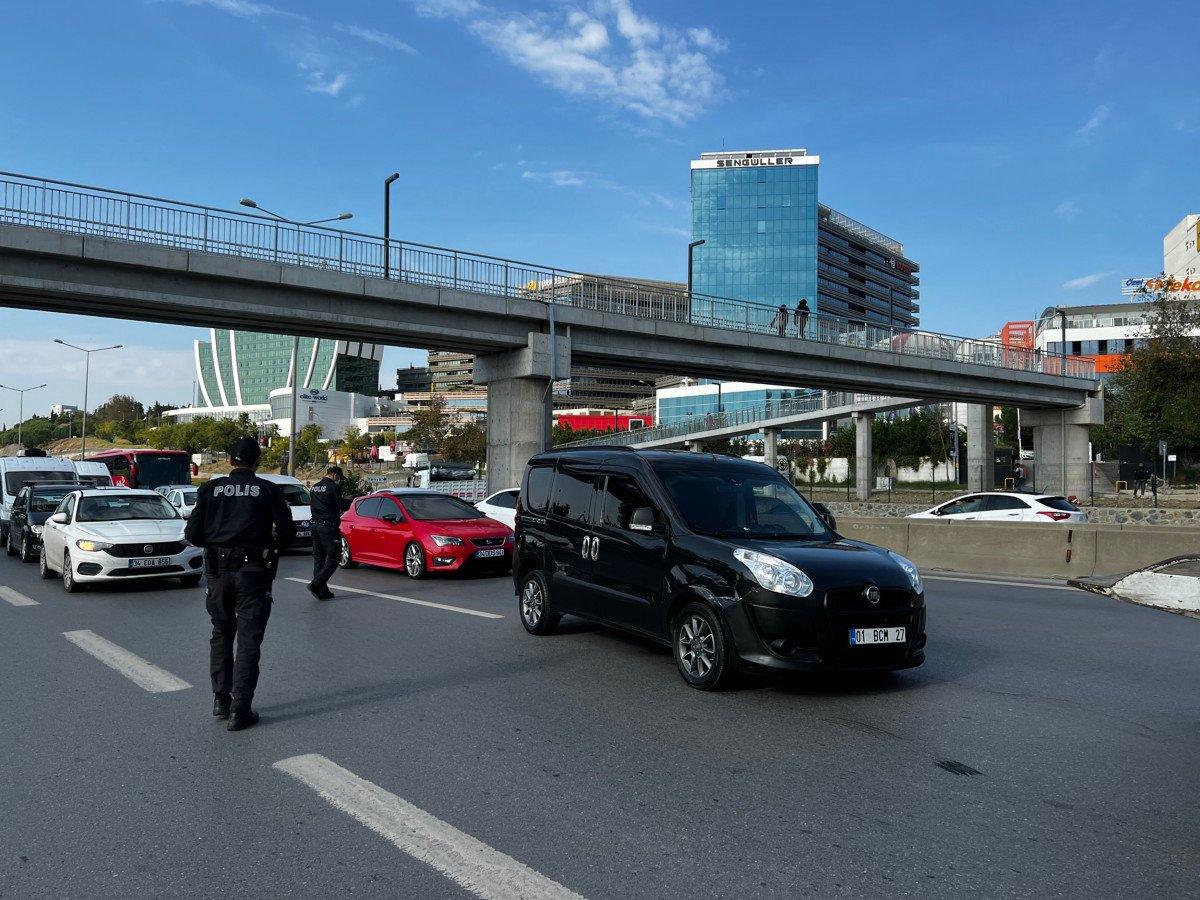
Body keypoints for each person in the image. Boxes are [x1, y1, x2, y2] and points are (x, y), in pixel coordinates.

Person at [186, 438, 295, 732]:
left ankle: (220, 700)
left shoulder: (210, 489)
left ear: (230, 460)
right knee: (248, 641)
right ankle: (240, 709)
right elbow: (287, 532)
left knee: (221, 633)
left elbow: (192, 534)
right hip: (253, 573)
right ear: (257, 461)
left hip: (218, 574)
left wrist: (219, 537)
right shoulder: (268, 490)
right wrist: (266, 540)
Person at [307, 465, 345, 600]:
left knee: (319, 559)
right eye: (339, 477)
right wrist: (351, 500)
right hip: (327, 526)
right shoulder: (333, 487)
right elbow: (341, 505)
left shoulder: (314, 487)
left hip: (315, 525)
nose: (338, 480)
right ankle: (316, 584)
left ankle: (322, 591)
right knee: (334, 557)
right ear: (334, 475)